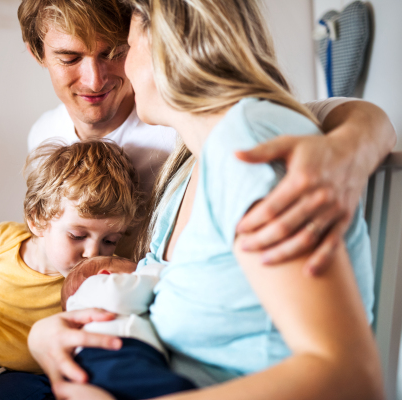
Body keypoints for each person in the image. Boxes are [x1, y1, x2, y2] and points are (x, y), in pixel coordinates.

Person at [28, 0, 384, 399]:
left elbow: (351, 375)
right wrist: (46, 333)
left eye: (120, 51)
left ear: (161, 40)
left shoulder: (248, 147)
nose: (116, 72)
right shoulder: (190, 163)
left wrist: (353, 145)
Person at [0, 0, 396, 304]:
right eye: (69, 57)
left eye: (114, 53)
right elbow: (50, 225)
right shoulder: (44, 135)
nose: (95, 77)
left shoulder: (184, 124)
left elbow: (341, 115)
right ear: (37, 53)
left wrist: (346, 153)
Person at [0, 140, 142, 400]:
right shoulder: (3, 239)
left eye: (110, 241)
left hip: (29, 376)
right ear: (37, 220)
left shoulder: (97, 278)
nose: (92, 253)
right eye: (77, 235)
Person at [62, 256, 196, 399]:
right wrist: (152, 272)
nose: (138, 279)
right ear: (107, 276)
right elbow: (118, 295)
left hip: (128, 359)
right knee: (176, 389)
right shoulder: (90, 289)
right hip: (109, 357)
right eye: (134, 276)